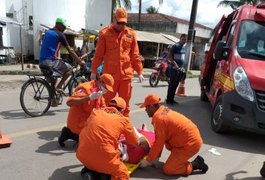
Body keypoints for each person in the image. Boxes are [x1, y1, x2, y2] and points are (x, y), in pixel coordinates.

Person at [90, 7, 144, 117]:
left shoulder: (131, 34)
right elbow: (99, 54)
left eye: (123, 23)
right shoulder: (104, 33)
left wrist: (139, 71)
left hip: (126, 76)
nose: (121, 25)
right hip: (110, 77)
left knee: (125, 105)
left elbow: (135, 55)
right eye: (119, 22)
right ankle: (106, 126)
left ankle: (124, 127)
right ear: (114, 20)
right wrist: (94, 70)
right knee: (106, 103)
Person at [138, 94, 209, 176]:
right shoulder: (162, 110)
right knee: (171, 161)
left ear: (151, 106)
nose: (145, 110)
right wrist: (156, 157)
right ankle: (179, 162)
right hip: (185, 140)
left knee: (169, 169)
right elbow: (160, 138)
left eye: (146, 107)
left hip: (190, 144)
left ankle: (196, 164)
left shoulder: (159, 118)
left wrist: (148, 160)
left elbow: (159, 142)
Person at [76, 96, 144, 180]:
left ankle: (91, 171)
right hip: (105, 159)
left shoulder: (95, 112)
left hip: (82, 155)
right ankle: (105, 176)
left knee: (98, 156)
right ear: (122, 110)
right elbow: (135, 142)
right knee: (123, 175)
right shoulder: (123, 120)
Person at [58, 73, 114, 147]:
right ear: (100, 81)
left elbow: (102, 108)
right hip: (78, 122)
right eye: (106, 87)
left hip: (88, 121)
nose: (106, 90)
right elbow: (69, 103)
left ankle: (78, 135)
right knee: (95, 142)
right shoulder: (85, 88)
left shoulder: (99, 91)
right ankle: (69, 133)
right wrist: (88, 98)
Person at [39, 17, 85, 93]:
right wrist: (80, 62)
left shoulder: (47, 32)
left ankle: (53, 99)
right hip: (49, 62)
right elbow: (71, 51)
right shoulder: (60, 35)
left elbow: (48, 48)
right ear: (57, 24)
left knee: (54, 77)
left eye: (65, 27)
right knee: (69, 69)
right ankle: (59, 86)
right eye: (63, 26)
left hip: (42, 61)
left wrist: (56, 57)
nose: (64, 28)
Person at [166, 33, 187, 104]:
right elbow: (169, 57)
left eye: (185, 40)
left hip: (180, 69)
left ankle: (172, 99)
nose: (184, 41)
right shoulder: (175, 46)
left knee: (176, 84)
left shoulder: (184, 47)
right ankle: (168, 99)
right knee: (172, 84)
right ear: (180, 38)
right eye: (183, 39)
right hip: (174, 69)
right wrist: (175, 64)